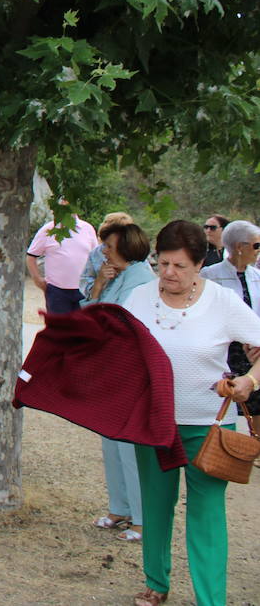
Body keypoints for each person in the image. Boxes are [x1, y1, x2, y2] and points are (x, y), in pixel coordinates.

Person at [120, 220, 260, 606]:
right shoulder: (139, 299)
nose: (169, 273)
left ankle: (210, 599)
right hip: (154, 423)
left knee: (207, 513)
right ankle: (156, 583)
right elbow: (119, 352)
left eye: (180, 266)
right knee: (155, 505)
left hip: (209, 426)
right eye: (163, 263)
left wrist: (249, 381)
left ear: (199, 264)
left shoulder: (222, 301)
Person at [80, 222, 155, 544]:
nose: (104, 253)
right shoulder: (115, 276)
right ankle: (119, 508)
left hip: (131, 373)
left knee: (130, 450)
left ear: (126, 248)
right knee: (111, 443)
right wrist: (98, 286)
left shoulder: (142, 280)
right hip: (110, 369)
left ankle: (141, 519)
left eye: (109, 247)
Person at [201, 219, 260, 411]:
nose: (258, 250)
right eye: (256, 245)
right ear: (239, 247)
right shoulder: (209, 276)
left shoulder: (257, 276)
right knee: (224, 408)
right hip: (225, 352)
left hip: (253, 352)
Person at [26, 202, 99, 314]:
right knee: (58, 324)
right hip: (57, 291)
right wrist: (37, 279)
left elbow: (95, 257)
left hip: (84, 290)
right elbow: (31, 256)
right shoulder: (48, 230)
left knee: (83, 324)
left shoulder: (87, 229)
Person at [79, 213, 136, 299]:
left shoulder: (137, 253)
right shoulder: (96, 254)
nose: (105, 251)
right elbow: (85, 280)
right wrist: (99, 282)